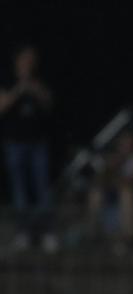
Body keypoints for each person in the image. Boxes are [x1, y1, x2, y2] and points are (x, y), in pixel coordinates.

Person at [0, 46, 54, 251]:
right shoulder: (8, 81)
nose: (28, 63)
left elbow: (49, 104)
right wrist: (19, 89)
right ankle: (23, 233)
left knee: (42, 188)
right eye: (25, 59)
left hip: (38, 143)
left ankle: (46, 233)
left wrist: (34, 88)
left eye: (32, 60)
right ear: (17, 61)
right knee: (19, 190)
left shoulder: (39, 80)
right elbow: (2, 106)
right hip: (15, 143)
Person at [86, 130, 133, 246]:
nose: (125, 146)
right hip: (113, 193)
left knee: (126, 194)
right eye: (123, 144)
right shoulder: (114, 158)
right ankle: (93, 233)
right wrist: (111, 167)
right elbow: (100, 180)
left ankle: (128, 235)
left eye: (128, 143)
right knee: (95, 194)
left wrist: (119, 179)